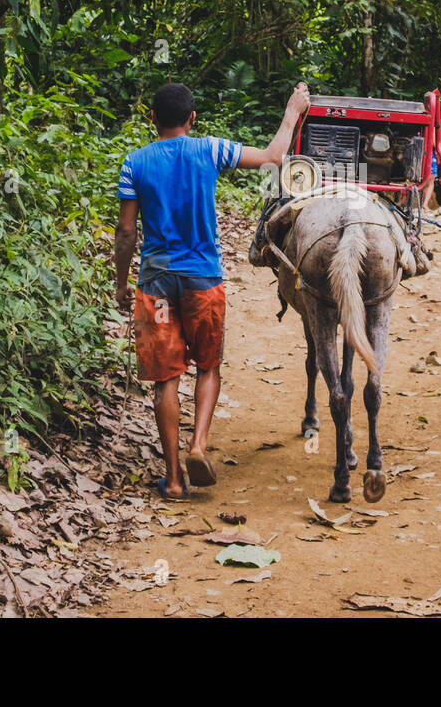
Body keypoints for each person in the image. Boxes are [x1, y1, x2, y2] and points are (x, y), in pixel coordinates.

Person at [114, 81, 312, 500]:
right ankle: (199, 445)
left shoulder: (134, 163)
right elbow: (274, 159)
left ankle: (171, 479)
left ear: (152, 119)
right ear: (192, 119)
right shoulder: (210, 150)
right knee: (208, 366)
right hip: (203, 281)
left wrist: (120, 283)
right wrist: (293, 110)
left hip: (157, 286)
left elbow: (127, 231)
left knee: (166, 378)